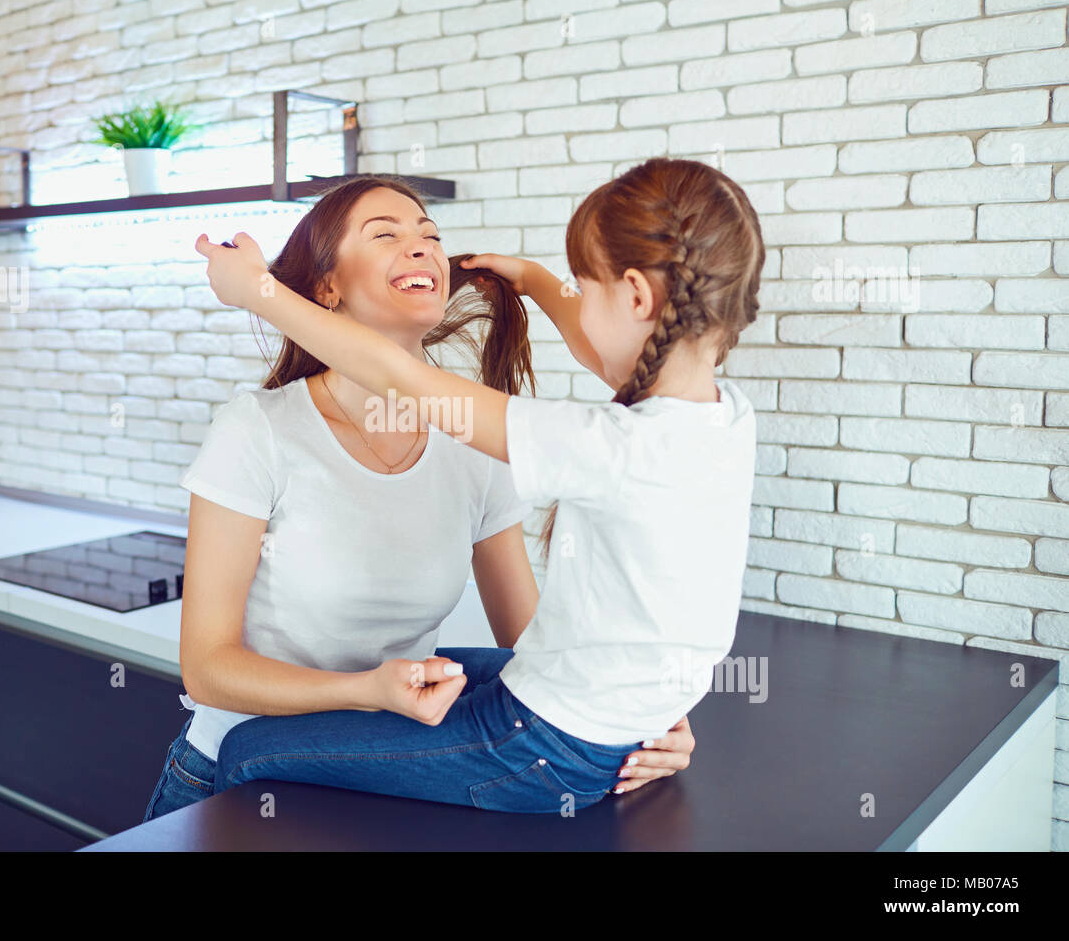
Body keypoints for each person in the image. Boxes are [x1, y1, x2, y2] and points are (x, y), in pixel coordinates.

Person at [194, 156, 762, 813]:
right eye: (387, 233)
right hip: (567, 722)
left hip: (545, 739)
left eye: (429, 233)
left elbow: (399, 378)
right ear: (327, 286)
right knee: (446, 679)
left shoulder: (584, 442)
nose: (422, 245)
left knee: (253, 752)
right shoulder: (722, 418)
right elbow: (539, 648)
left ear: (638, 298)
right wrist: (644, 709)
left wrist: (259, 292)